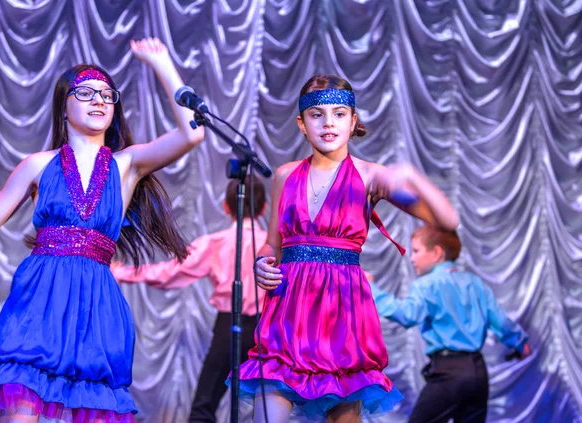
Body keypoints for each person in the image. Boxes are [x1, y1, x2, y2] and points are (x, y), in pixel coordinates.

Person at [0, 37, 204, 422]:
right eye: (86, 92)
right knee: (21, 411)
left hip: (95, 299)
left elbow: (192, 134)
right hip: (40, 296)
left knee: (95, 406)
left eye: (107, 94)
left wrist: (164, 64)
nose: (99, 100)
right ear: (64, 107)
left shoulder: (127, 164)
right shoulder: (37, 164)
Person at [242, 74, 460, 423]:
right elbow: (273, 243)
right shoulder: (285, 175)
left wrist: (413, 175)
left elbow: (447, 220)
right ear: (302, 123)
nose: (328, 123)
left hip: (340, 311)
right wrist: (262, 261)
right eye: (317, 114)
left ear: (353, 120)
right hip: (288, 310)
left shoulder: (371, 176)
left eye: (339, 113)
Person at [111, 176, 268, 423]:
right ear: (264, 208)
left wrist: (125, 273)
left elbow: (171, 273)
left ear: (227, 207)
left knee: (203, 407)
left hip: (230, 326)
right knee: (267, 405)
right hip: (266, 328)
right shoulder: (275, 244)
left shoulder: (216, 243)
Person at [370, 225, 531, 423]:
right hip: (478, 373)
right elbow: (500, 320)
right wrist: (519, 342)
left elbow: (406, 315)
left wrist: (370, 289)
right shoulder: (475, 283)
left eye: (417, 251)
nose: (412, 258)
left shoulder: (427, 285)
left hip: (449, 373)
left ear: (437, 252)